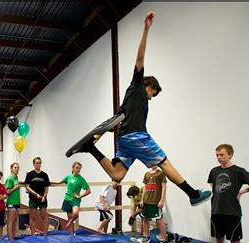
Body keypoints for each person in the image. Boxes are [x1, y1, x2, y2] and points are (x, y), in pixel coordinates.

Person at [70, 11, 211, 207]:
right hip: (136, 136)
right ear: (149, 86)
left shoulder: (129, 99)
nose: (151, 98)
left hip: (124, 139)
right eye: (153, 93)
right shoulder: (137, 87)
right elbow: (140, 58)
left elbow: (115, 120)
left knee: (117, 174)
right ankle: (193, 194)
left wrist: (96, 137)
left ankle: (91, 150)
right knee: (164, 162)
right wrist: (146, 29)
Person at [52, 162, 91, 236]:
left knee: (75, 214)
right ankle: (71, 234)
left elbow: (88, 190)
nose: (78, 170)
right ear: (73, 168)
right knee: (69, 217)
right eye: (77, 168)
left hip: (75, 199)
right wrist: (49, 182)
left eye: (79, 168)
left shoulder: (81, 179)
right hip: (67, 198)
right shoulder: (69, 177)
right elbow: (59, 182)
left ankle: (70, 222)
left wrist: (80, 196)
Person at [137, 166, 170, 243]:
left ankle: (164, 241)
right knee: (145, 219)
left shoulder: (161, 173)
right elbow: (145, 187)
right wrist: (142, 199)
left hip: (156, 202)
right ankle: (147, 237)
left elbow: (164, 187)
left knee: (159, 221)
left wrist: (162, 200)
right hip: (146, 201)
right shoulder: (146, 174)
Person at [25, 157, 51, 236]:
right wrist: (35, 194)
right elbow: (27, 186)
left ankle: (45, 234)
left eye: (40, 163)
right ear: (34, 164)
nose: (38, 164)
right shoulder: (30, 174)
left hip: (42, 199)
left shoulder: (44, 175)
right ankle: (33, 235)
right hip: (33, 198)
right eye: (37, 163)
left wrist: (44, 196)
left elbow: (46, 187)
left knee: (44, 216)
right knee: (33, 217)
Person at [5, 163, 23, 240]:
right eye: (15, 167)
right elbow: (8, 191)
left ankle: (14, 235)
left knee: (15, 221)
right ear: (11, 168)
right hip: (11, 203)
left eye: (18, 168)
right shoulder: (9, 179)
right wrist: (16, 187)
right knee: (10, 221)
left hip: (17, 202)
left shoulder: (16, 178)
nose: (16, 169)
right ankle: (10, 238)